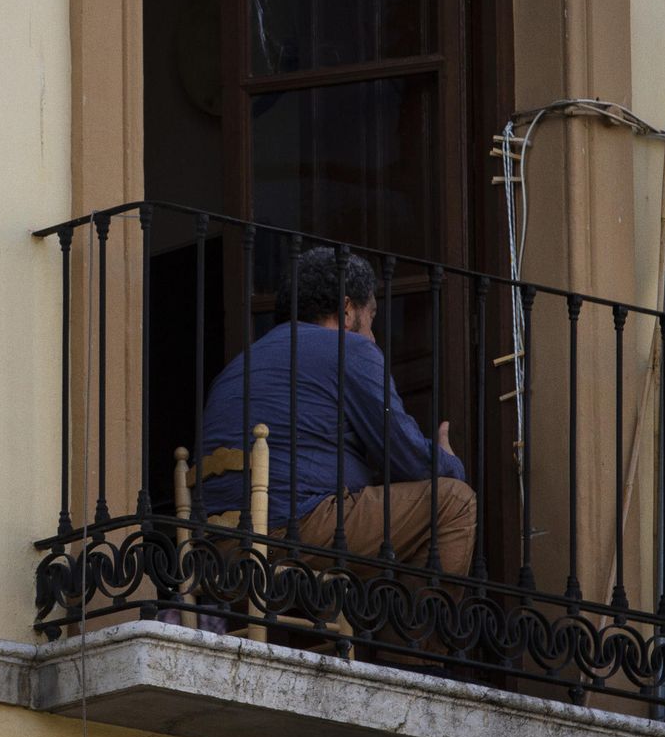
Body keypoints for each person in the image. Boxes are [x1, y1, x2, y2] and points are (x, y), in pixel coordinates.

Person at [200, 247, 475, 577]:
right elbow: (408, 457)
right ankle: (417, 627)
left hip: (218, 547)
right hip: (288, 530)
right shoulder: (350, 349)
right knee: (454, 501)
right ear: (347, 310)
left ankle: (366, 625)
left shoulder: (237, 365)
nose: (373, 337)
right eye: (372, 318)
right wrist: (448, 463)